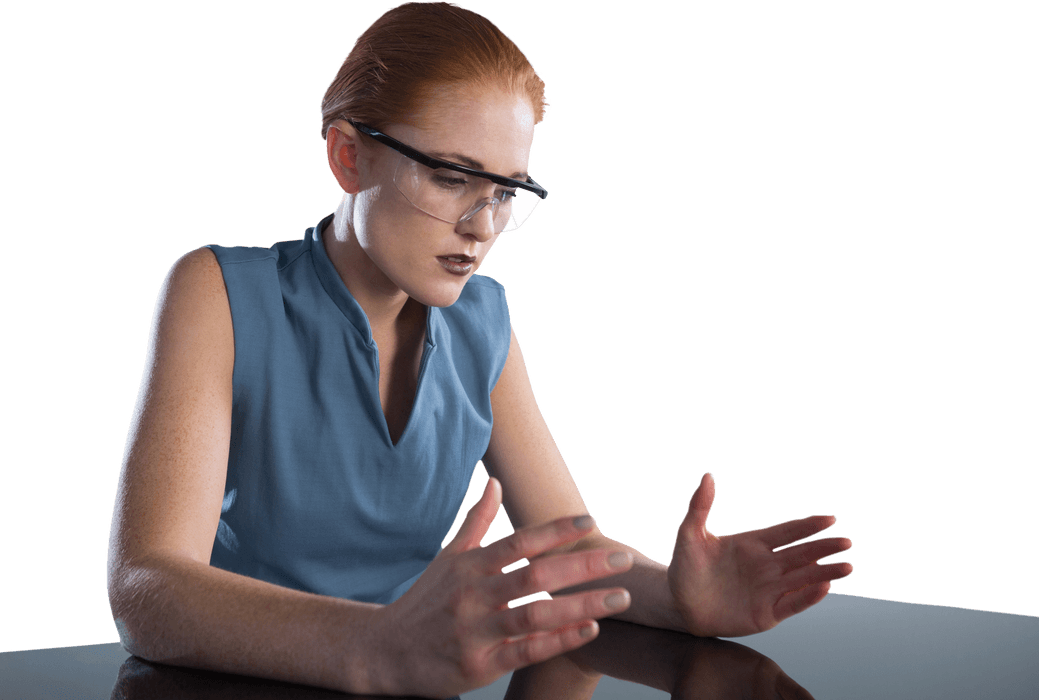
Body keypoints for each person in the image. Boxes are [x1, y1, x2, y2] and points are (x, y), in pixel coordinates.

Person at [105, 2, 854, 697]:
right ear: (347, 156)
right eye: (453, 176)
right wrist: (375, 648)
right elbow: (147, 586)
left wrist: (681, 600)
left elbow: (566, 554)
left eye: (505, 191)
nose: (482, 225)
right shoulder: (218, 294)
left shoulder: (483, 320)